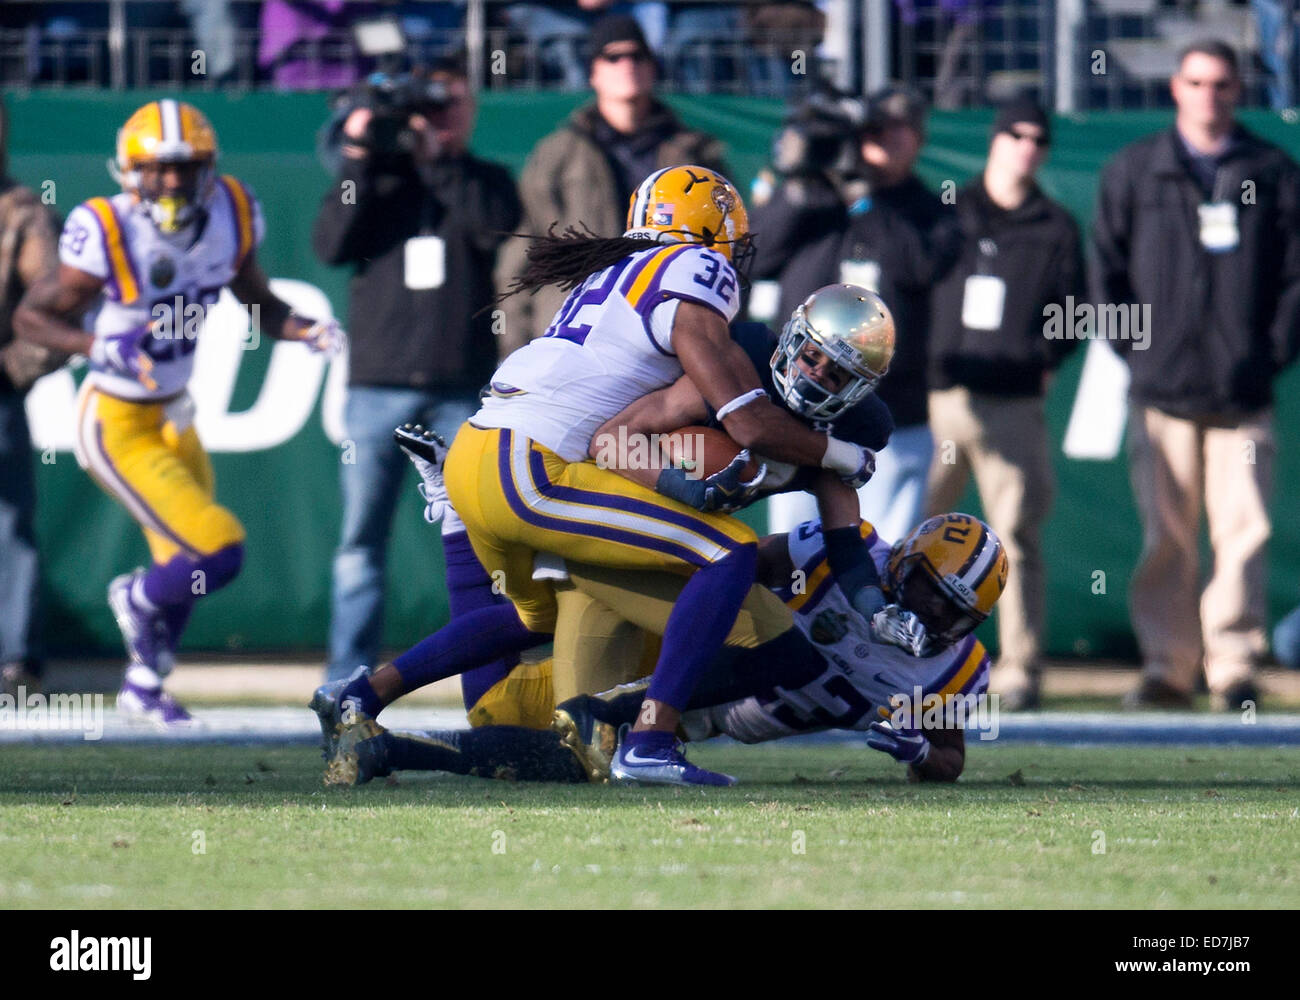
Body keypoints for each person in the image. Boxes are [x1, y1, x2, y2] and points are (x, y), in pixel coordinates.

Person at [316, 164, 879, 787]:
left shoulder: (619, 274)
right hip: (533, 463)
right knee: (729, 555)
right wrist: (838, 457)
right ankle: (651, 740)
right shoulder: (698, 276)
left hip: (486, 447)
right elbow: (743, 424)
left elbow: (642, 440)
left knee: (540, 639)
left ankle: (361, 697)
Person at [15, 100, 343, 727]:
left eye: (184, 168)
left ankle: (142, 683)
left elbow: (260, 303)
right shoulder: (107, 228)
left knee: (185, 562)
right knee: (219, 550)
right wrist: (95, 345)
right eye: (156, 169)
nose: (170, 181)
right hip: (115, 421)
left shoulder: (233, 212)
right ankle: (133, 598)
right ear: (129, 170)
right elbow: (32, 315)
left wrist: (302, 328)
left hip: (176, 413)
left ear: (208, 168)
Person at [330, 512, 1007, 787]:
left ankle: (382, 742)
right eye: (929, 592)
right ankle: (464, 527)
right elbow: (735, 569)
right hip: (686, 651)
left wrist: (921, 751)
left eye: (957, 611)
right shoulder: (843, 551)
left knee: (504, 717)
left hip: (703, 714)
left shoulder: (956, 667)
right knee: (554, 643)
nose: (935, 615)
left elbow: (949, 759)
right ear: (902, 563)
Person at [1091, 40, 1300, 711]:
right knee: (1167, 537)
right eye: (1197, 82)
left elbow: (1297, 280)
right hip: (1161, 393)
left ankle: (1233, 664)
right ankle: (1167, 666)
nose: (1209, 95)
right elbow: (1106, 275)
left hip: (1242, 394)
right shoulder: (1136, 169)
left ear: (1239, 91)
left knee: (1243, 535)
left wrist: (1267, 353)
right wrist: (1140, 353)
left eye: (1222, 84)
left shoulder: (1271, 171)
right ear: (1176, 89)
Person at [312, 59, 522, 683]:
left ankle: (487, 672)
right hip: (377, 386)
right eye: (427, 107)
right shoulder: (378, 179)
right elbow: (330, 243)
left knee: (481, 536)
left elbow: (493, 230)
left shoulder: (485, 179)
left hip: (460, 387)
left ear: (471, 110)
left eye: (451, 103)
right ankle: (347, 678)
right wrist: (358, 152)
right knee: (359, 543)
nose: (437, 116)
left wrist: (436, 158)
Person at [925, 97, 1084, 711]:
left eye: (1038, 136)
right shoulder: (950, 211)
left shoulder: (1055, 225)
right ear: (994, 138)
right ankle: (899, 659)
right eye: (1015, 131)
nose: (1026, 144)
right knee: (913, 533)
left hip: (1012, 401)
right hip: (939, 395)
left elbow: (1073, 311)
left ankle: (1021, 668)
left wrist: (1044, 359)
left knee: (1016, 537)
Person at [765, 87, 956, 546]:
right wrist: (800, 178)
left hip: (890, 414)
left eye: (896, 129)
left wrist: (865, 197)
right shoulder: (811, 198)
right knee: (791, 549)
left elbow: (922, 265)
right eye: (871, 130)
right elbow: (757, 256)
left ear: (918, 139)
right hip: (800, 408)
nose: (880, 140)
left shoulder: (928, 211)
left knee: (880, 553)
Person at [493, 14, 728, 356]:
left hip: (670, 336)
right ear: (593, 72)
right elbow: (524, 256)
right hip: (575, 336)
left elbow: (724, 250)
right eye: (613, 56)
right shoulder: (557, 153)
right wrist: (515, 354)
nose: (627, 65)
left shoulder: (695, 155)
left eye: (637, 56)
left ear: (652, 67)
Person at [0, 96, 60, 695]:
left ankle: (15, 658)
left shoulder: (20, 209)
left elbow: (54, 305)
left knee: (9, 525)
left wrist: (12, 371)